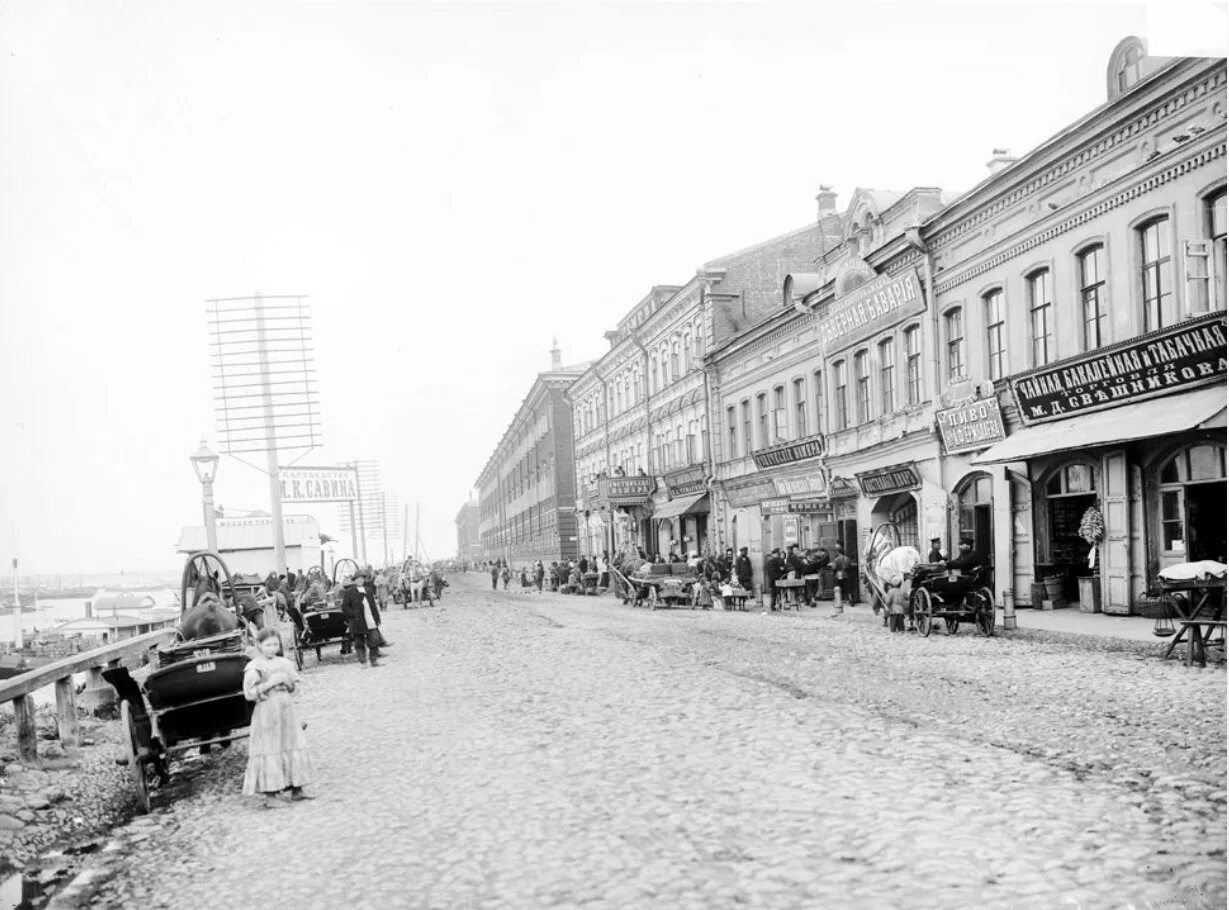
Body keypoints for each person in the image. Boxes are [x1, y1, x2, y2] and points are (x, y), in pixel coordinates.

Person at [242, 627, 314, 808]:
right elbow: (249, 693)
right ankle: (271, 796)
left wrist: (288, 683)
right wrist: (271, 682)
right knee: (270, 748)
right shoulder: (254, 667)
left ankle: (297, 788)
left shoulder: (285, 663)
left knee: (291, 744)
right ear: (259, 645)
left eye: (275, 644)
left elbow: (296, 687)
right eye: (267, 645)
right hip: (267, 711)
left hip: (286, 709)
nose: (272, 648)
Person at [340, 575, 382, 667]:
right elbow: (345, 607)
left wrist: (377, 617)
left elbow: (373, 605)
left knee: (374, 639)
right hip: (357, 621)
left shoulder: (368, 590)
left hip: (370, 618)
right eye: (358, 579)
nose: (360, 581)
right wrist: (354, 614)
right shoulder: (349, 592)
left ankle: (373, 660)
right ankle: (362, 661)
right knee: (359, 642)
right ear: (354, 581)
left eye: (362, 579)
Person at [763, 548, 785, 614]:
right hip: (774, 580)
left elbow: (783, 568)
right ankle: (772, 606)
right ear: (773, 554)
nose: (778, 555)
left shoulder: (780, 560)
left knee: (779, 593)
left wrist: (782, 570)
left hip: (779, 579)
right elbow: (771, 572)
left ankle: (779, 605)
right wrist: (777, 577)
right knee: (774, 593)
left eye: (778, 554)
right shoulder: (771, 561)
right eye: (777, 554)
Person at [831, 544, 850, 616]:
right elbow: (849, 565)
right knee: (846, 587)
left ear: (838, 552)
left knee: (838, 587)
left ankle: (840, 600)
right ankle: (848, 599)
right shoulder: (847, 558)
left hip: (839, 574)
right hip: (846, 574)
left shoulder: (836, 559)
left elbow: (834, 568)